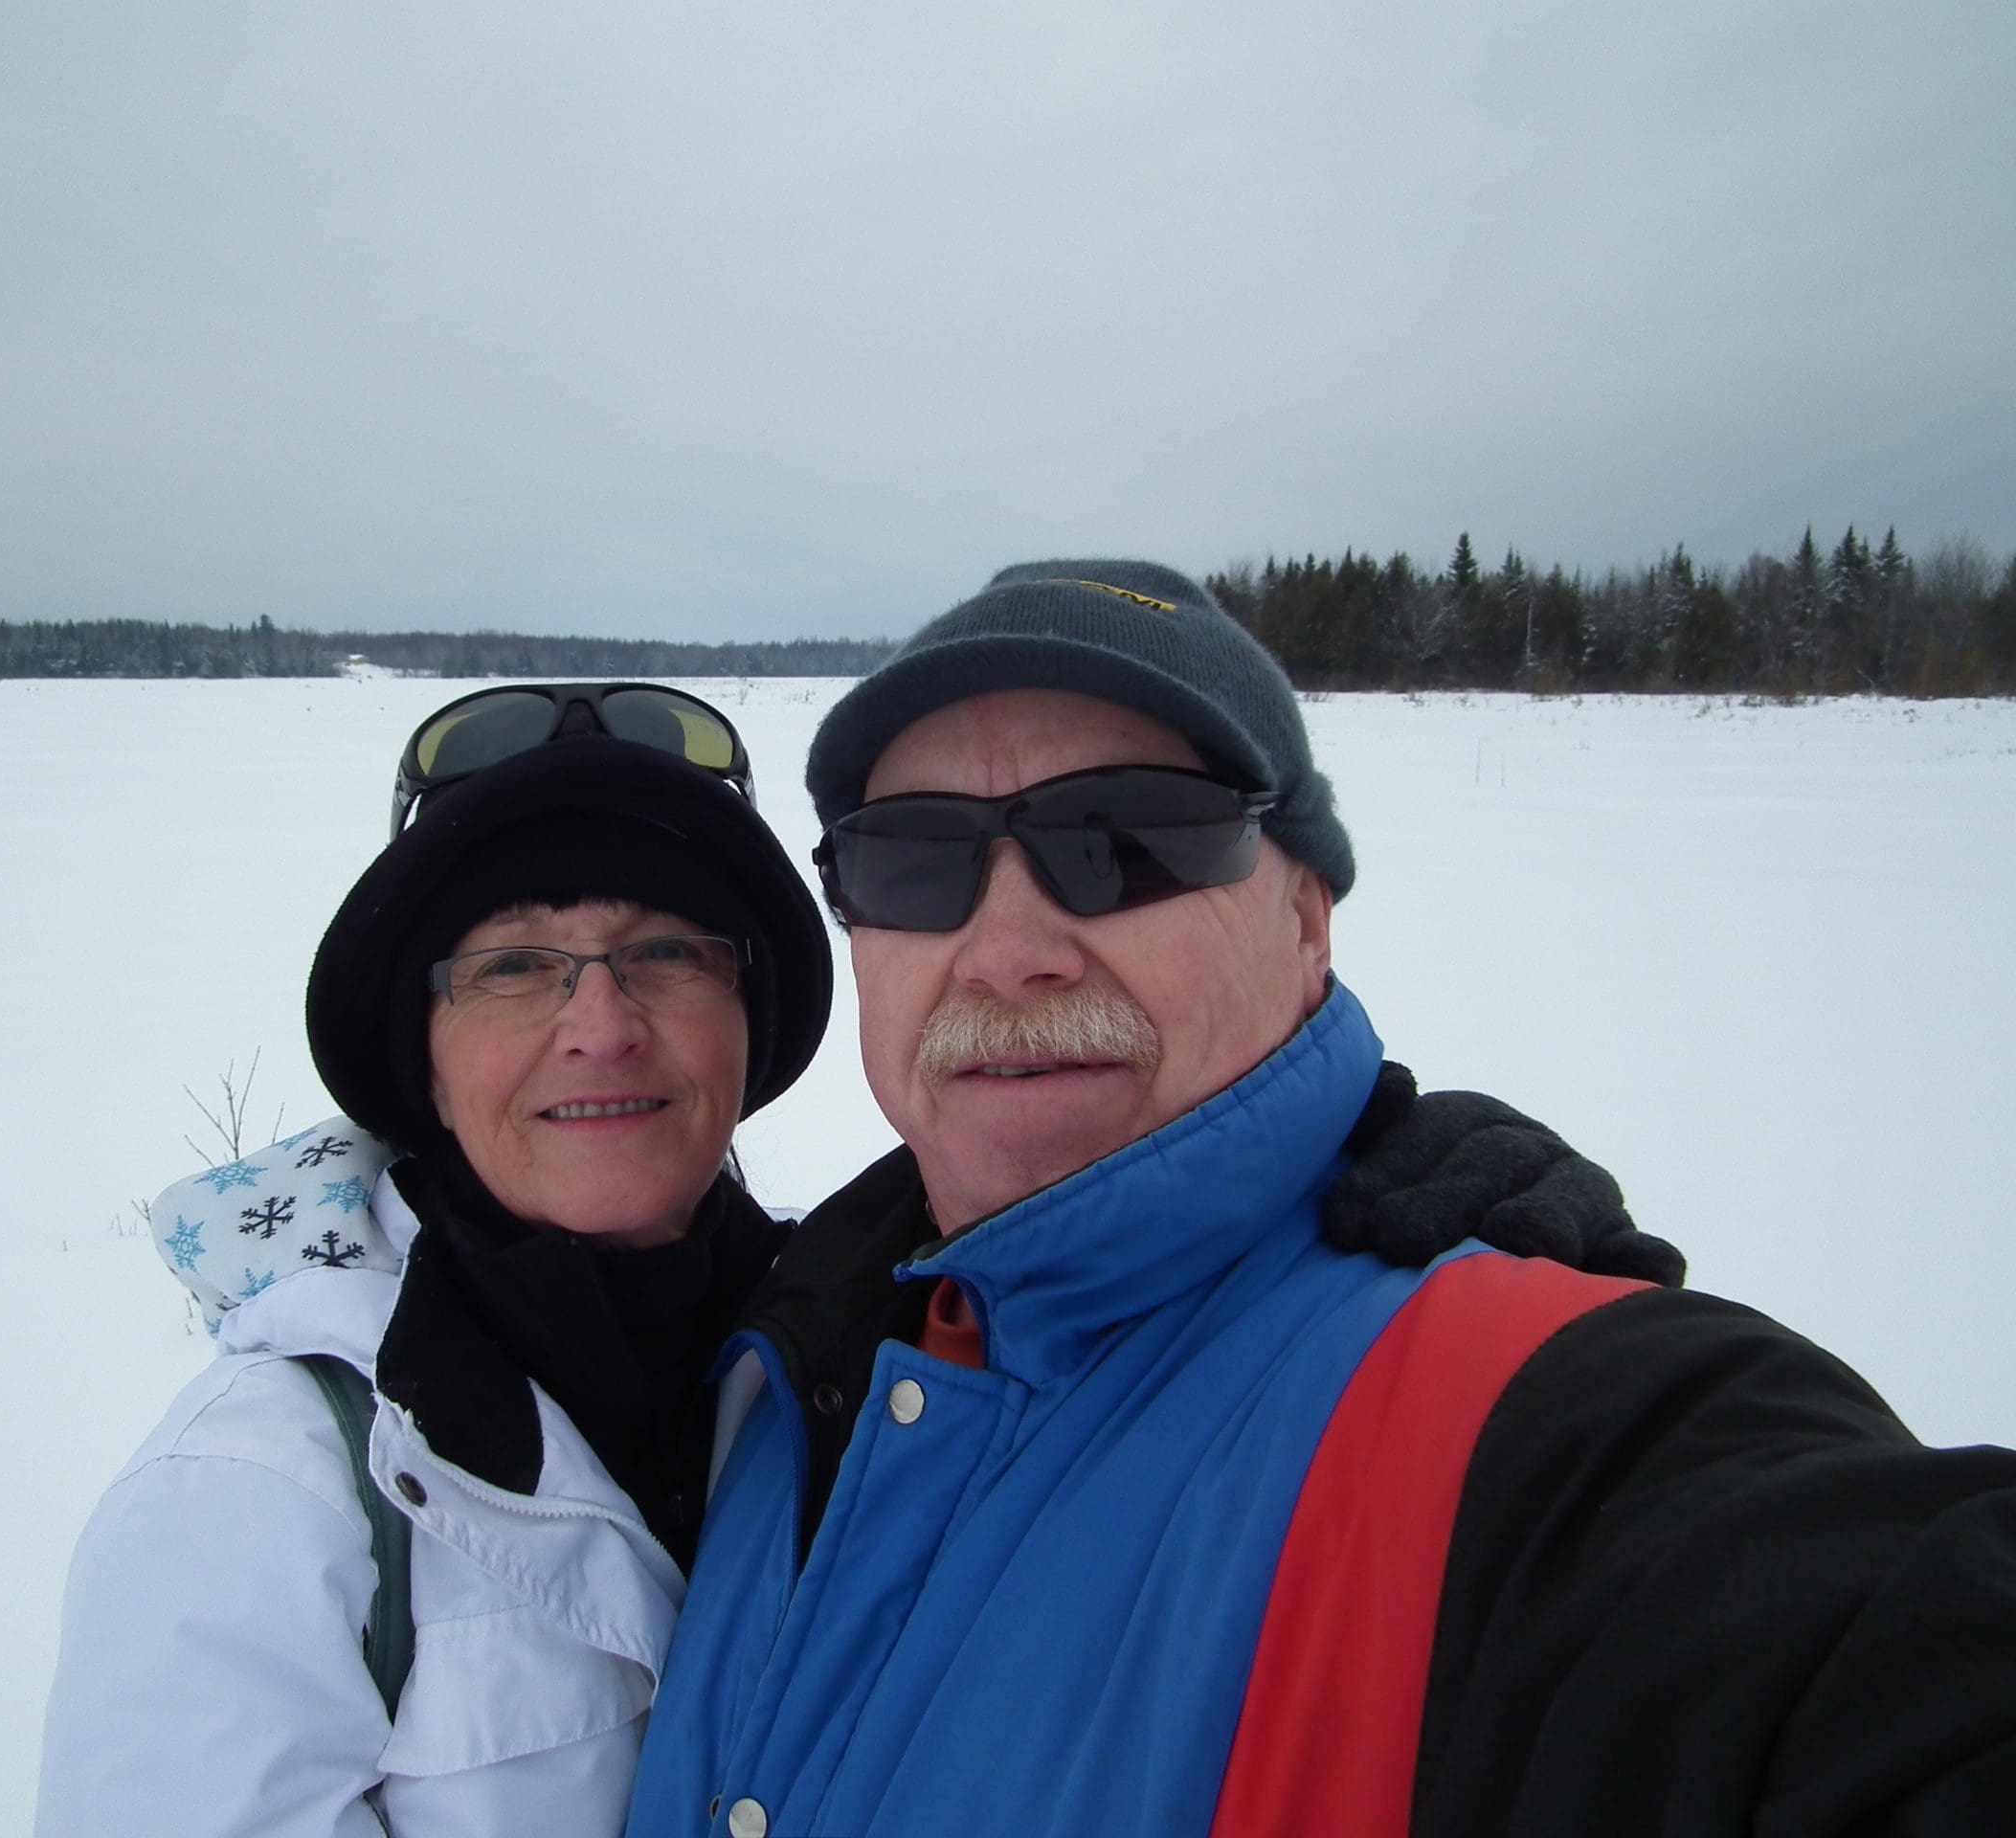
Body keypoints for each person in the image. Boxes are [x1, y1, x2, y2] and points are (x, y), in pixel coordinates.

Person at [36, 678, 1676, 1838]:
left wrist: (1311, 1194)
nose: (598, 1027)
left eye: (664, 954)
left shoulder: (858, 1347)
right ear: (423, 1046)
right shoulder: (263, 1502)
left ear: (751, 1022)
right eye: (517, 967)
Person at [628, 563, 2016, 1838]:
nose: (1004, 952)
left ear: (1305, 920)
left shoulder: (1551, 1432)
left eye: (1120, 837)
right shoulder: (782, 1370)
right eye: (915, 859)